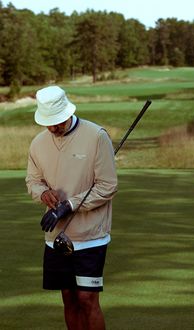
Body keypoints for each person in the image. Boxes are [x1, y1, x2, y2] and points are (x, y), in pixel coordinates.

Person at [26, 85, 118, 330]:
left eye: (58, 122)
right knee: (69, 299)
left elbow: (108, 186)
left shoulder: (96, 135)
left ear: (68, 113)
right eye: (48, 123)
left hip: (90, 237)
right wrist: (43, 193)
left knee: (87, 299)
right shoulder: (37, 144)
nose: (53, 128)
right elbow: (33, 181)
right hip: (55, 237)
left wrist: (69, 204)